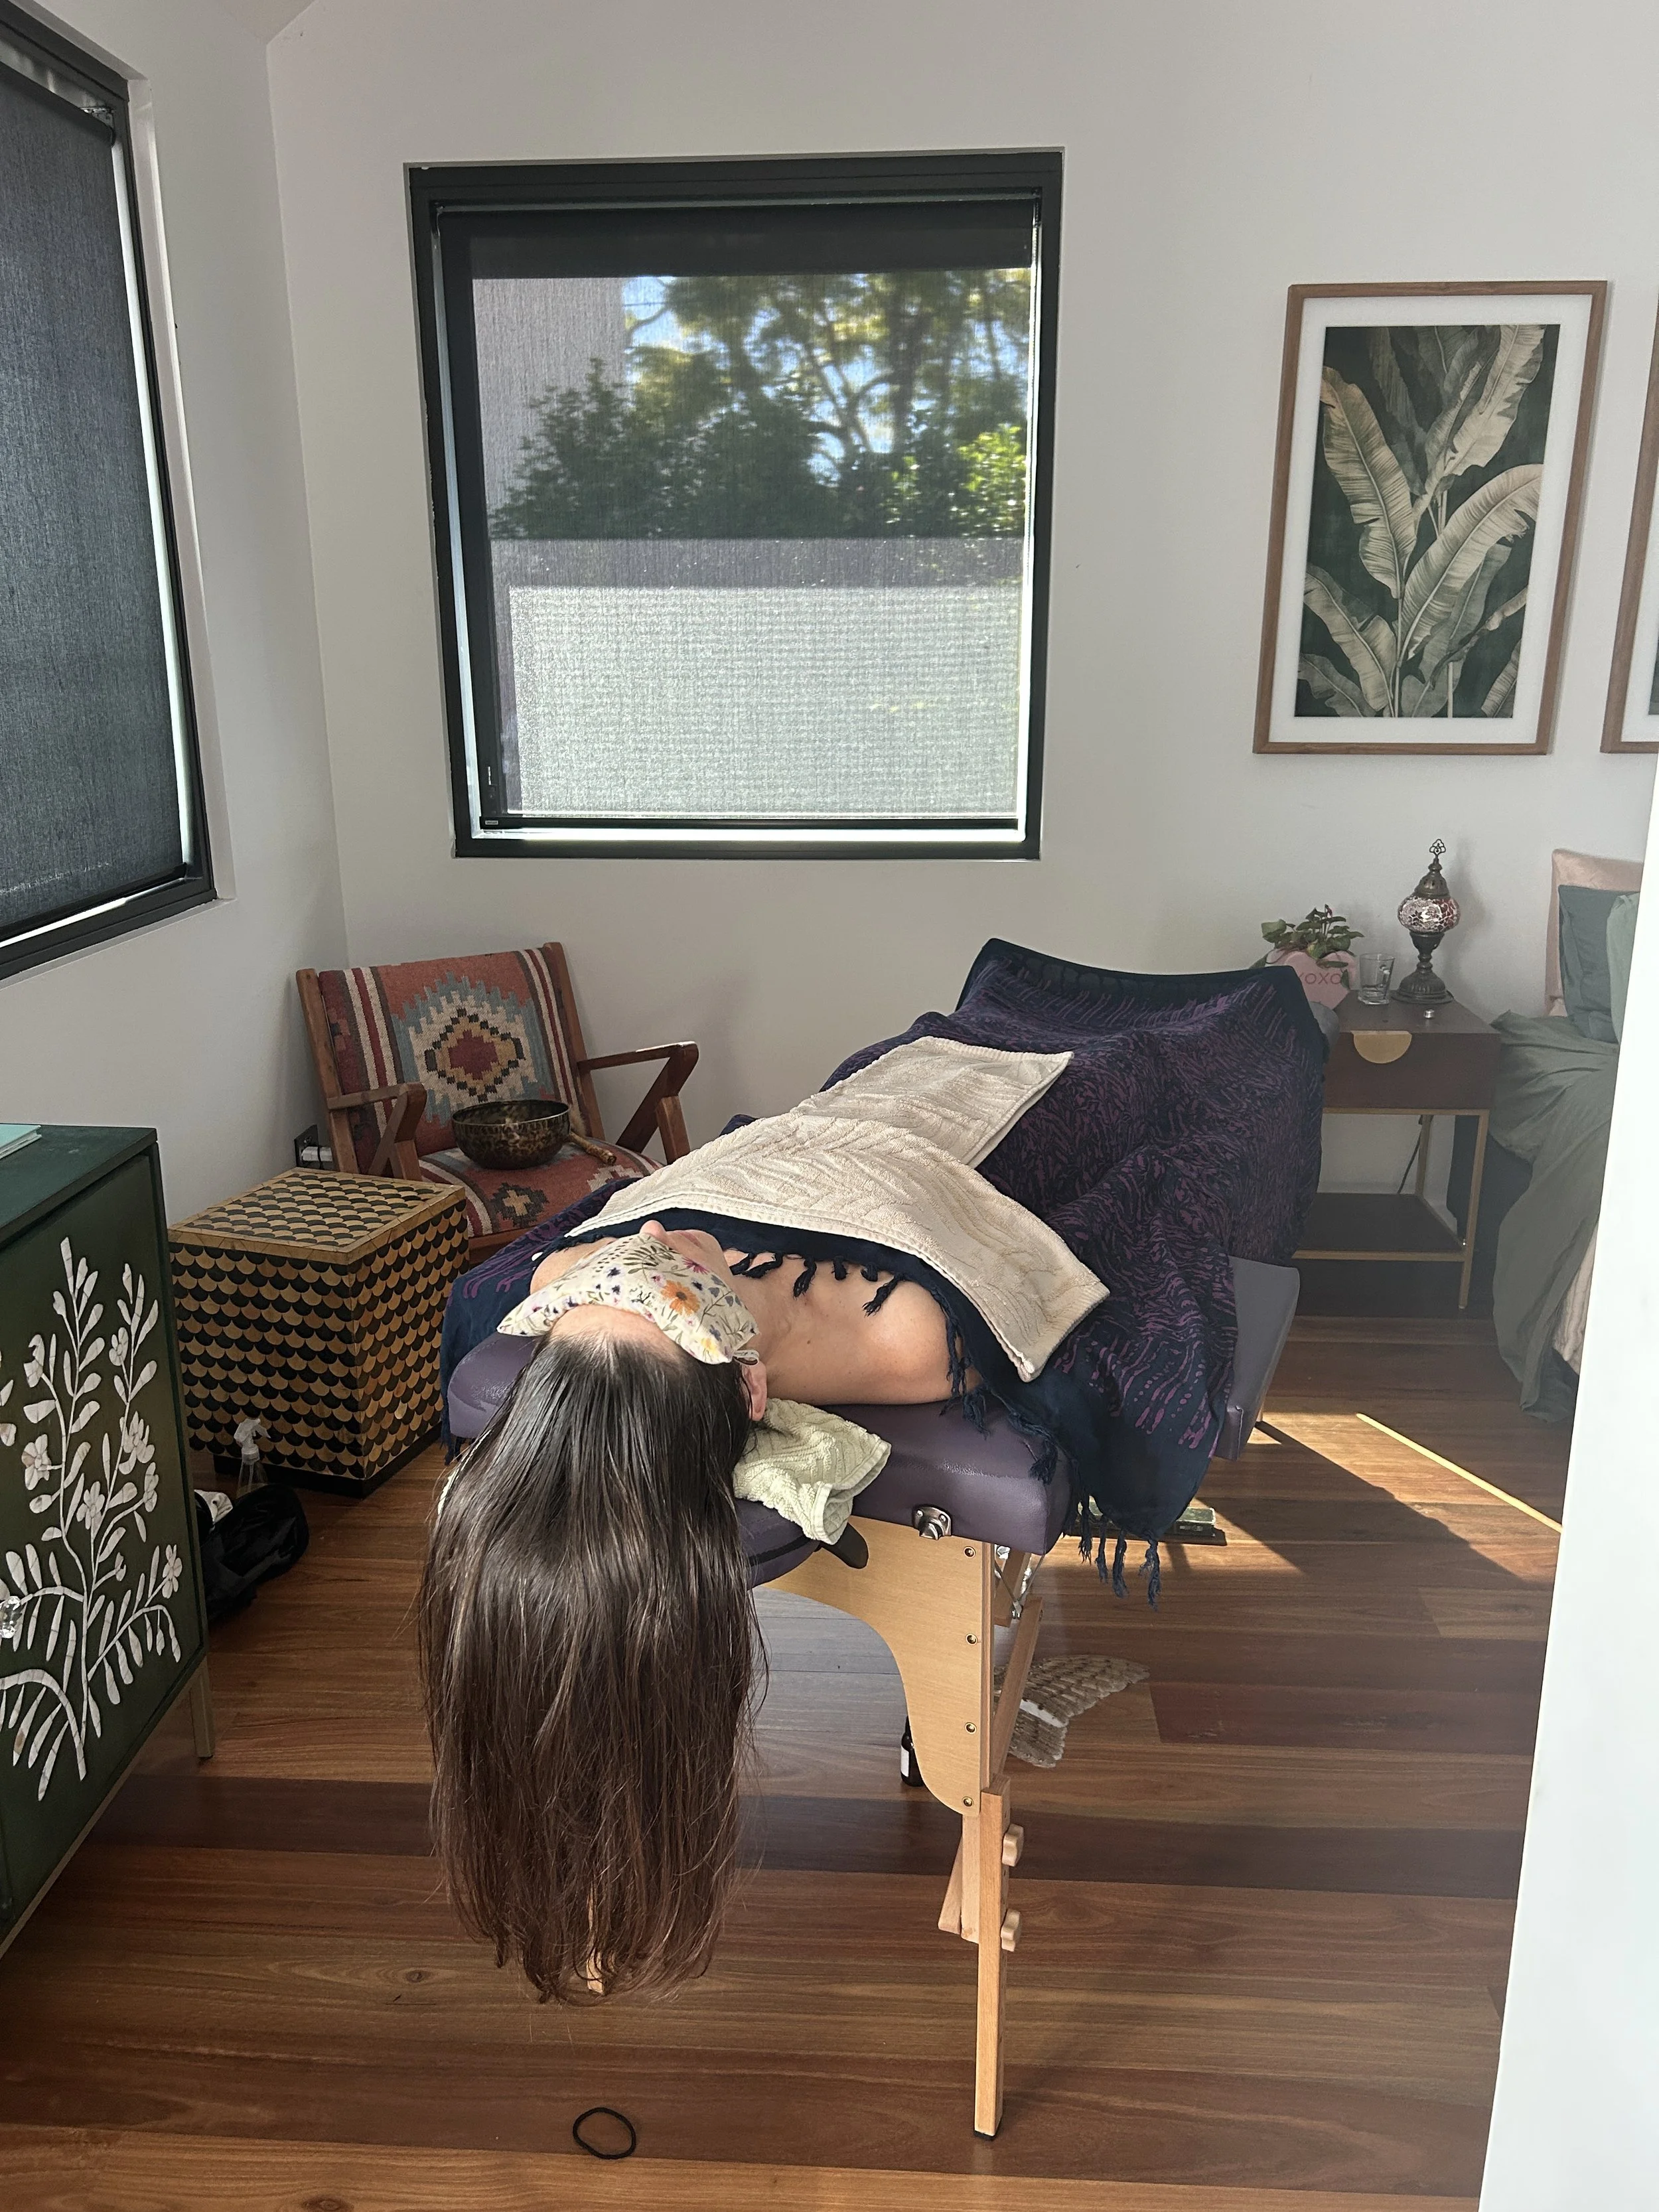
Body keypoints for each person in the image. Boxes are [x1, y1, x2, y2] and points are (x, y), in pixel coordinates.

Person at [417, 1219, 958, 2007]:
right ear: (752, 1391)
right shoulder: (893, 1329)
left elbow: (556, 1272)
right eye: (665, 1288)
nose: (648, 1231)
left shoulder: (562, 1286)